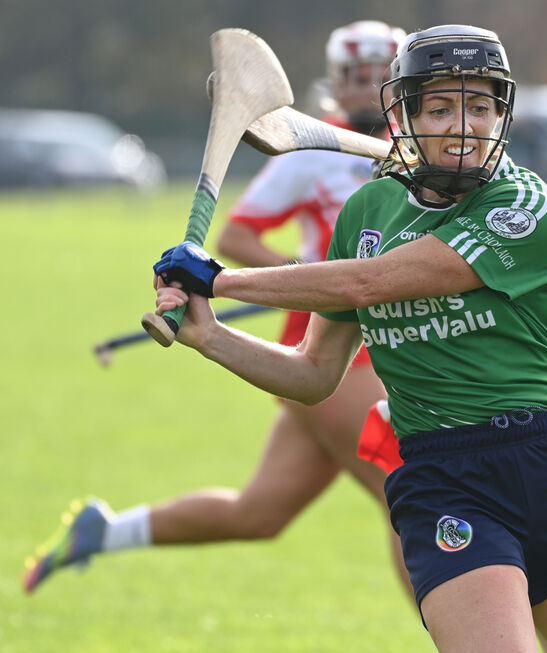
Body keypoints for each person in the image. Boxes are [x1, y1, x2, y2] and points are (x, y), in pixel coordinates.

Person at [143, 25, 547, 652]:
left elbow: (368, 283)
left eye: (480, 107)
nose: (464, 126)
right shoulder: (366, 214)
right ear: (406, 119)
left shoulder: (525, 205)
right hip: (441, 480)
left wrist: (220, 281)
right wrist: (212, 337)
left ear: (502, 116)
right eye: (441, 108)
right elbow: (311, 375)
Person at [23, 20, 412, 596]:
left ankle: (104, 531)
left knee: (259, 512)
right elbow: (236, 236)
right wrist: (306, 274)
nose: (368, 87)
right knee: (411, 495)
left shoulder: (417, 152)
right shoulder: (312, 150)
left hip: (388, 341)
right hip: (330, 347)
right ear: (336, 82)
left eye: (382, 76)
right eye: (357, 76)